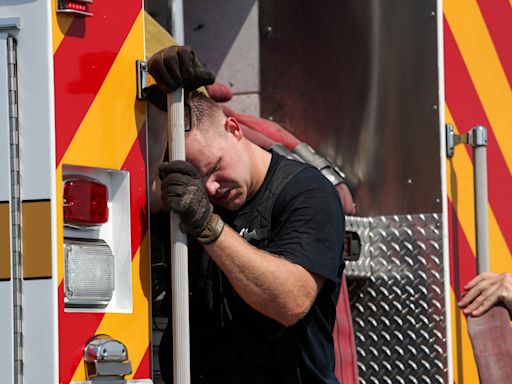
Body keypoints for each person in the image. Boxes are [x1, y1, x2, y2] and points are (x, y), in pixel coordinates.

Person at [147, 46, 345, 384]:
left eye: (214, 168)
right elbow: (134, 196)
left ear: (235, 129)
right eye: (198, 179)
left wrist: (209, 227)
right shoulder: (190, 197)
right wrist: (156, 74)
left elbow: (290, 302)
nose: (210, 188)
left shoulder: (306, 193)